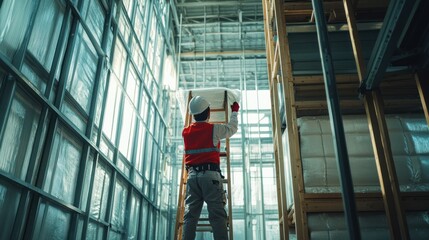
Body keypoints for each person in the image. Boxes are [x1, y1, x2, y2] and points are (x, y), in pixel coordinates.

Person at [182, 95, 239, 240]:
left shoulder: (186, 132)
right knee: (217, 217)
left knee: (190, 217)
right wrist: (234, 112)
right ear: (208, 113)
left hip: (192, 178)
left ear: (193, 115)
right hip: (210, 177)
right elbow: (232, 129)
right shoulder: (214, 129)